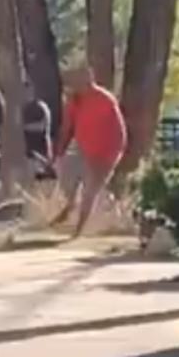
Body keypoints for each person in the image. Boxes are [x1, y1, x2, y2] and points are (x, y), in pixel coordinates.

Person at [51, 63, 126, 238]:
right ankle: (70, 204)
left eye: (75, 81)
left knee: (90, 191)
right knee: (67, 174)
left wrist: (108, 157)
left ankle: (79, 230)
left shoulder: (105, 99)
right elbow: (67, 126)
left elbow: (119, 131)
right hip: (83, 149)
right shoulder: (74, 100)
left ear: (87, 80)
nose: (71, 85)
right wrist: (59, 150)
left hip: (106, 153)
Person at [22, 82, 54, 178]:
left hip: (39, 152)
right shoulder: (22, 108)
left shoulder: (39, 107)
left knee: (35, 182)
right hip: (28, 153)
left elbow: (41, 126)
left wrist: (20, 127)